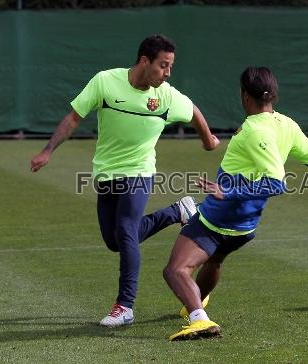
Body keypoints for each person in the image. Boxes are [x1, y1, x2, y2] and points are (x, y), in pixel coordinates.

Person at [163, 66, 308, 341]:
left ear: (245, 96)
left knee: (175, 269)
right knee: (214, 260)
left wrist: (230, 192)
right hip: (245, 226)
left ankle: (199, 320)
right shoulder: (285, 125)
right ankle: (196, 301)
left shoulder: (254, 131)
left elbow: (276, 183)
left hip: (220, 216)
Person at [30, 34, 219, 328]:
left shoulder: (166, 95)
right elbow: (73, 118)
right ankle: (177, 212)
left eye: (171, 67)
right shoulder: (105, 82)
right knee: (115, 240)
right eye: (163, 65)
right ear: (145, 61)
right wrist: (47, 150)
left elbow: (192, 110)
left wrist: (208, 139)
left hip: (140, 172)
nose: (168, 73)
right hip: (106, 173)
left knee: (127, 230)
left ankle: (125, 306)